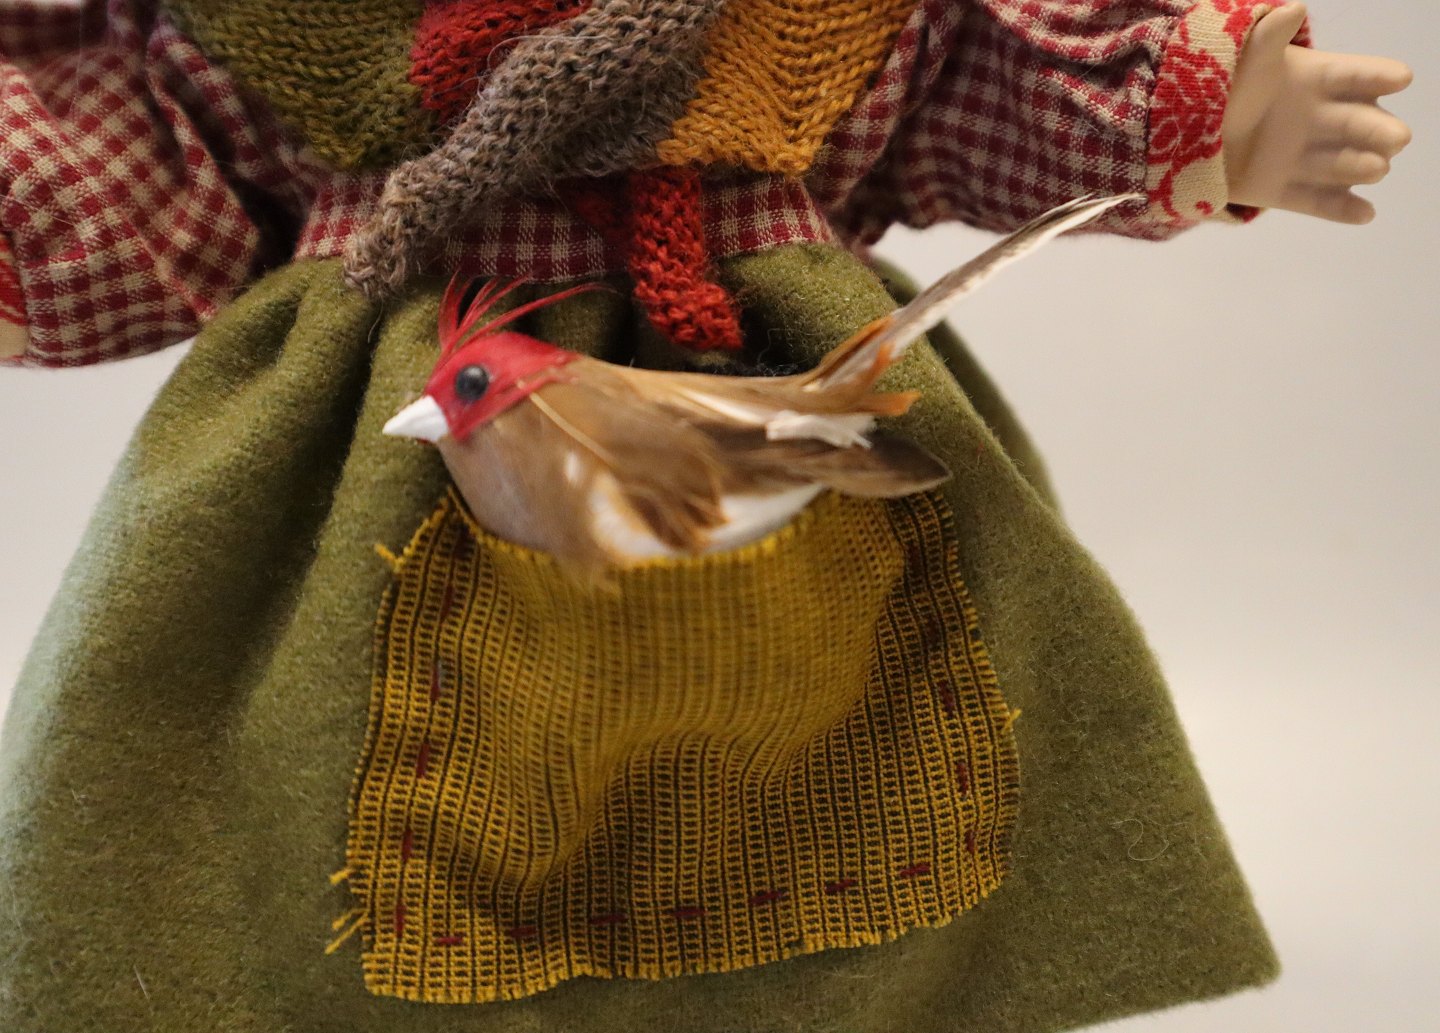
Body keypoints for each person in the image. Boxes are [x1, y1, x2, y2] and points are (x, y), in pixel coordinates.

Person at [0, 1, 1412, 1031]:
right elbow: (149, 179)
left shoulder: (819, 31)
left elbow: (975, 82)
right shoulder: (282, 35)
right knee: (308, 794)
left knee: (825, 729)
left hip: (766, 384)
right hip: (380, 422)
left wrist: (1193, 108)